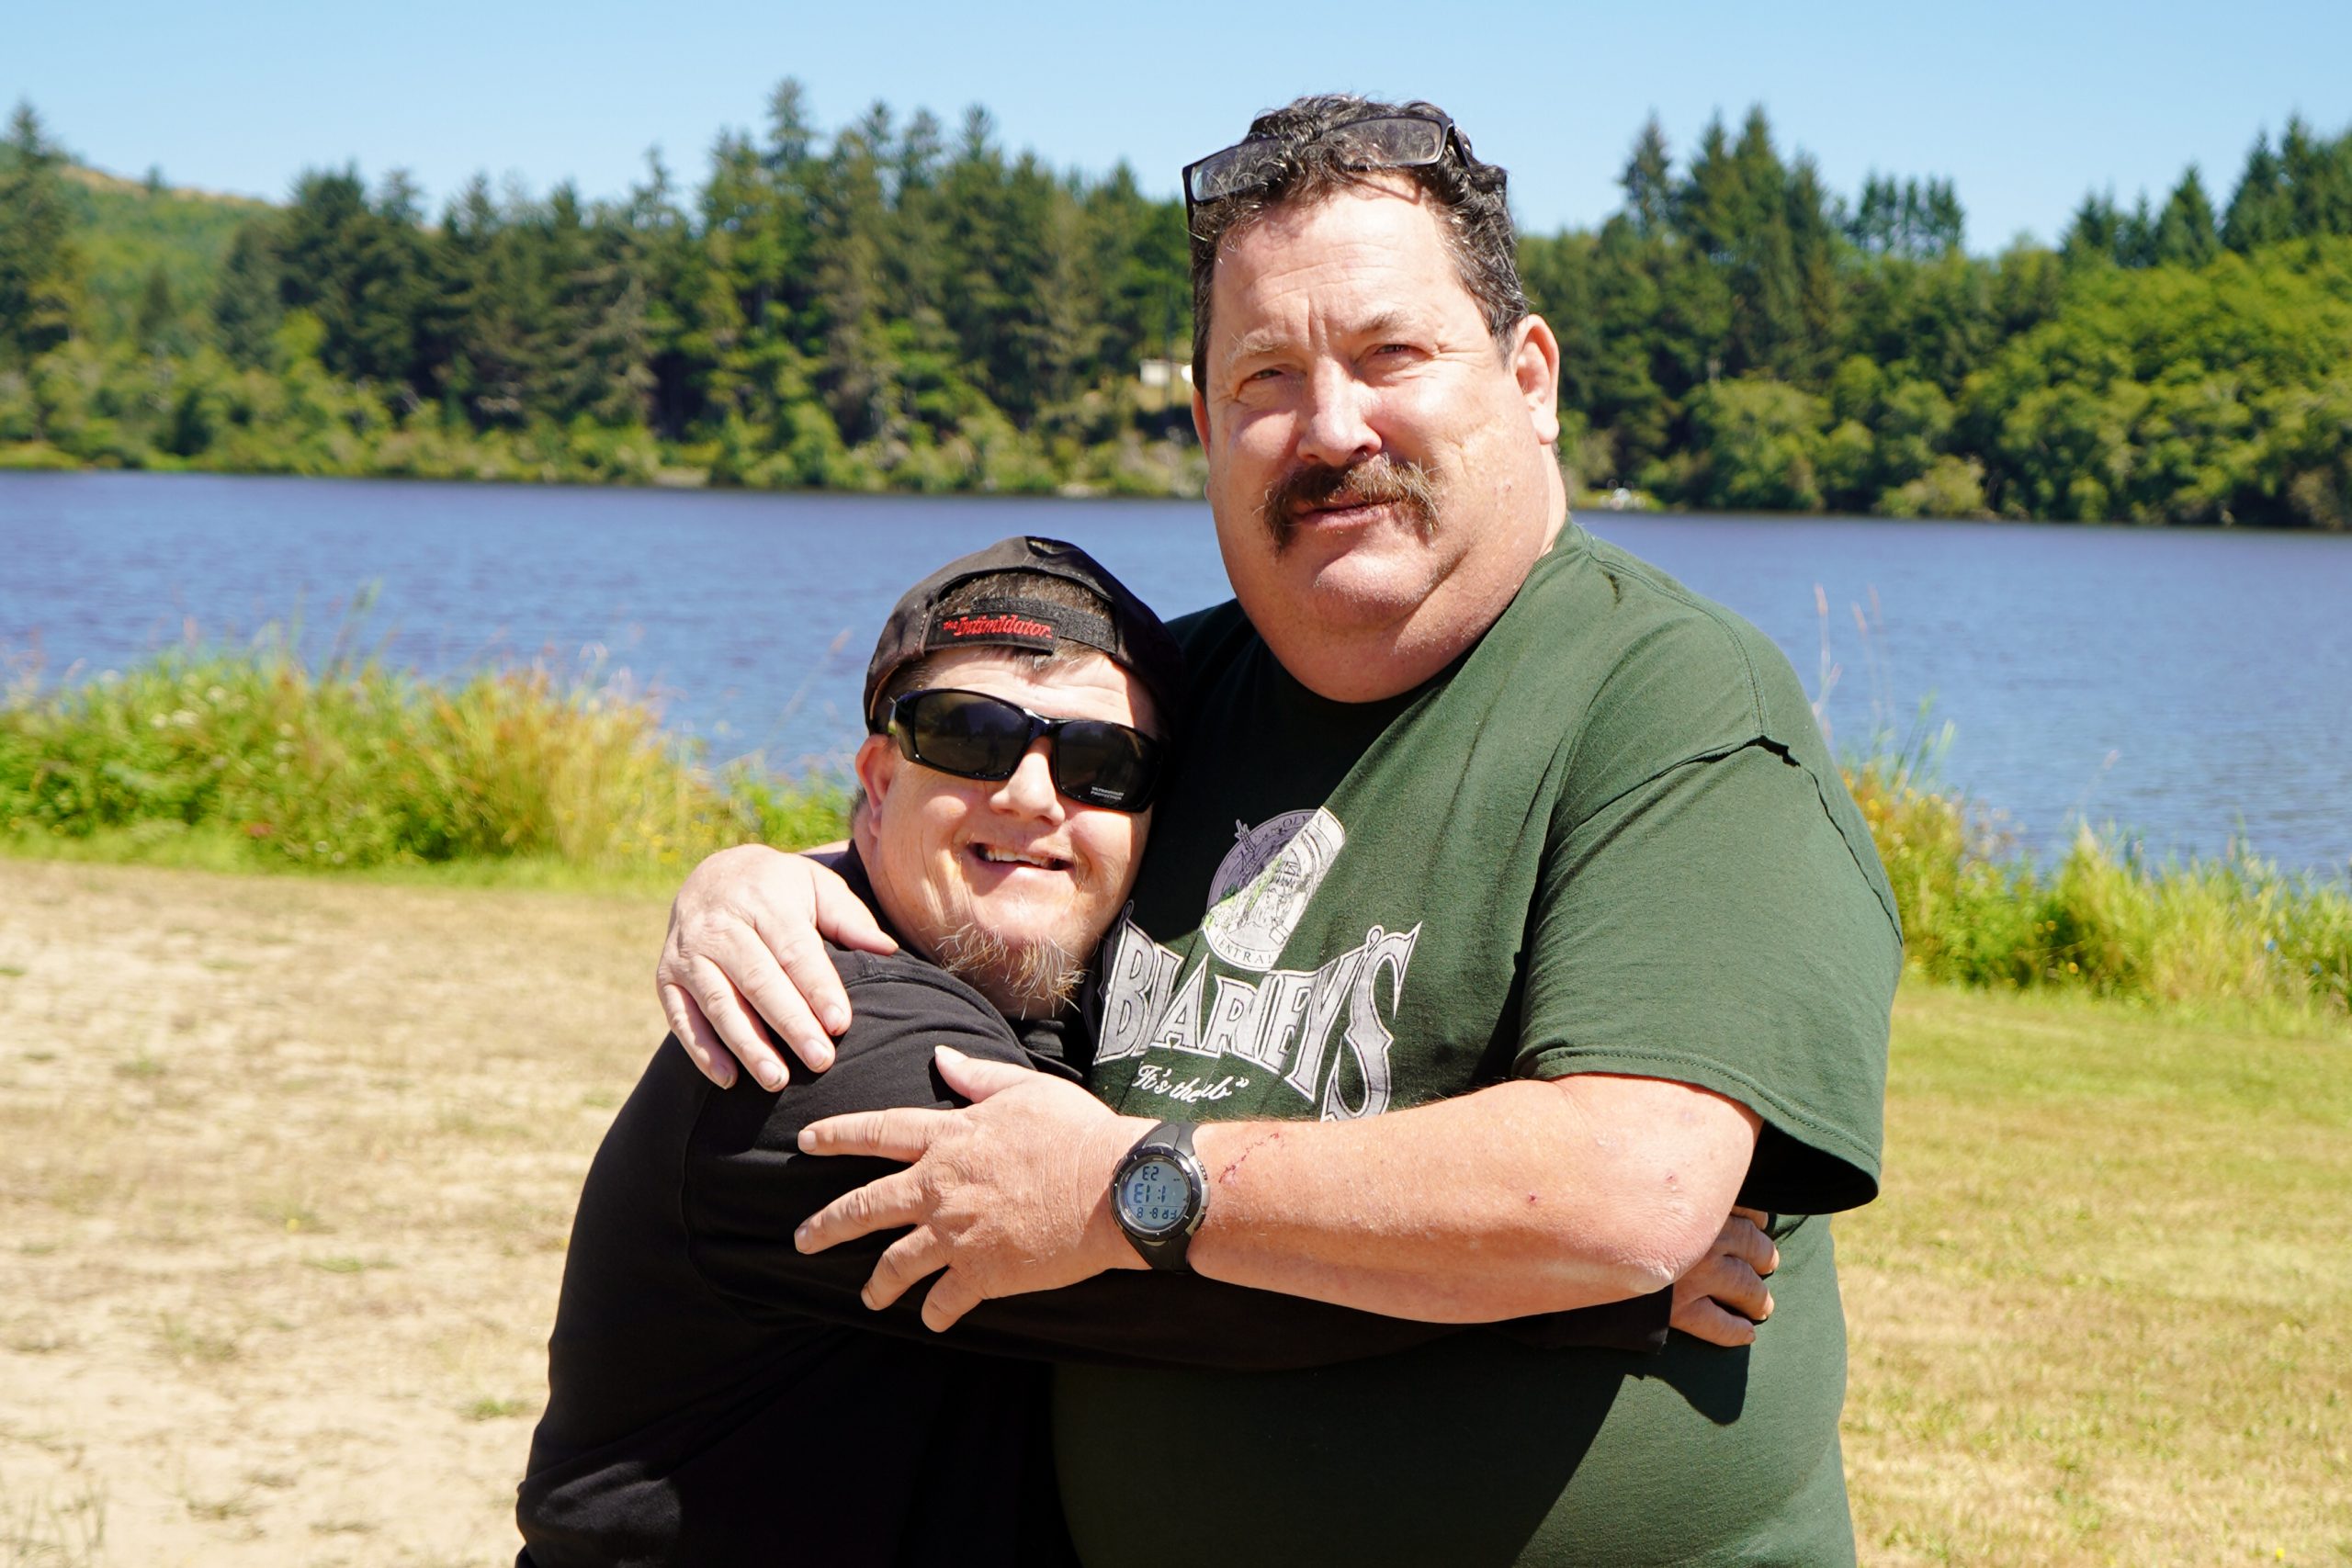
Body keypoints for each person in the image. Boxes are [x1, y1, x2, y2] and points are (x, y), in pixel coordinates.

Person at [660, 96, 1902, 1566]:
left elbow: (1628, 1192)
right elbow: (997, 863)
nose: (1331, 428)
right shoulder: (1166, 708)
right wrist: (768, 880)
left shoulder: (1671, 702)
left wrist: (1127, 1188)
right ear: (1204, 426)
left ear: (1530, 378)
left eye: (1392, 356)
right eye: (1266, 377)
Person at [521, 537, 1776, 1567]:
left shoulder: (1059, 999)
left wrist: (770, 864)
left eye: (1101, 763)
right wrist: (1576, 1269)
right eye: (966, 735)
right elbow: (1204, 1281)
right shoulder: (808, 1039)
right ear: (877, 779)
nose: (1031, 795)